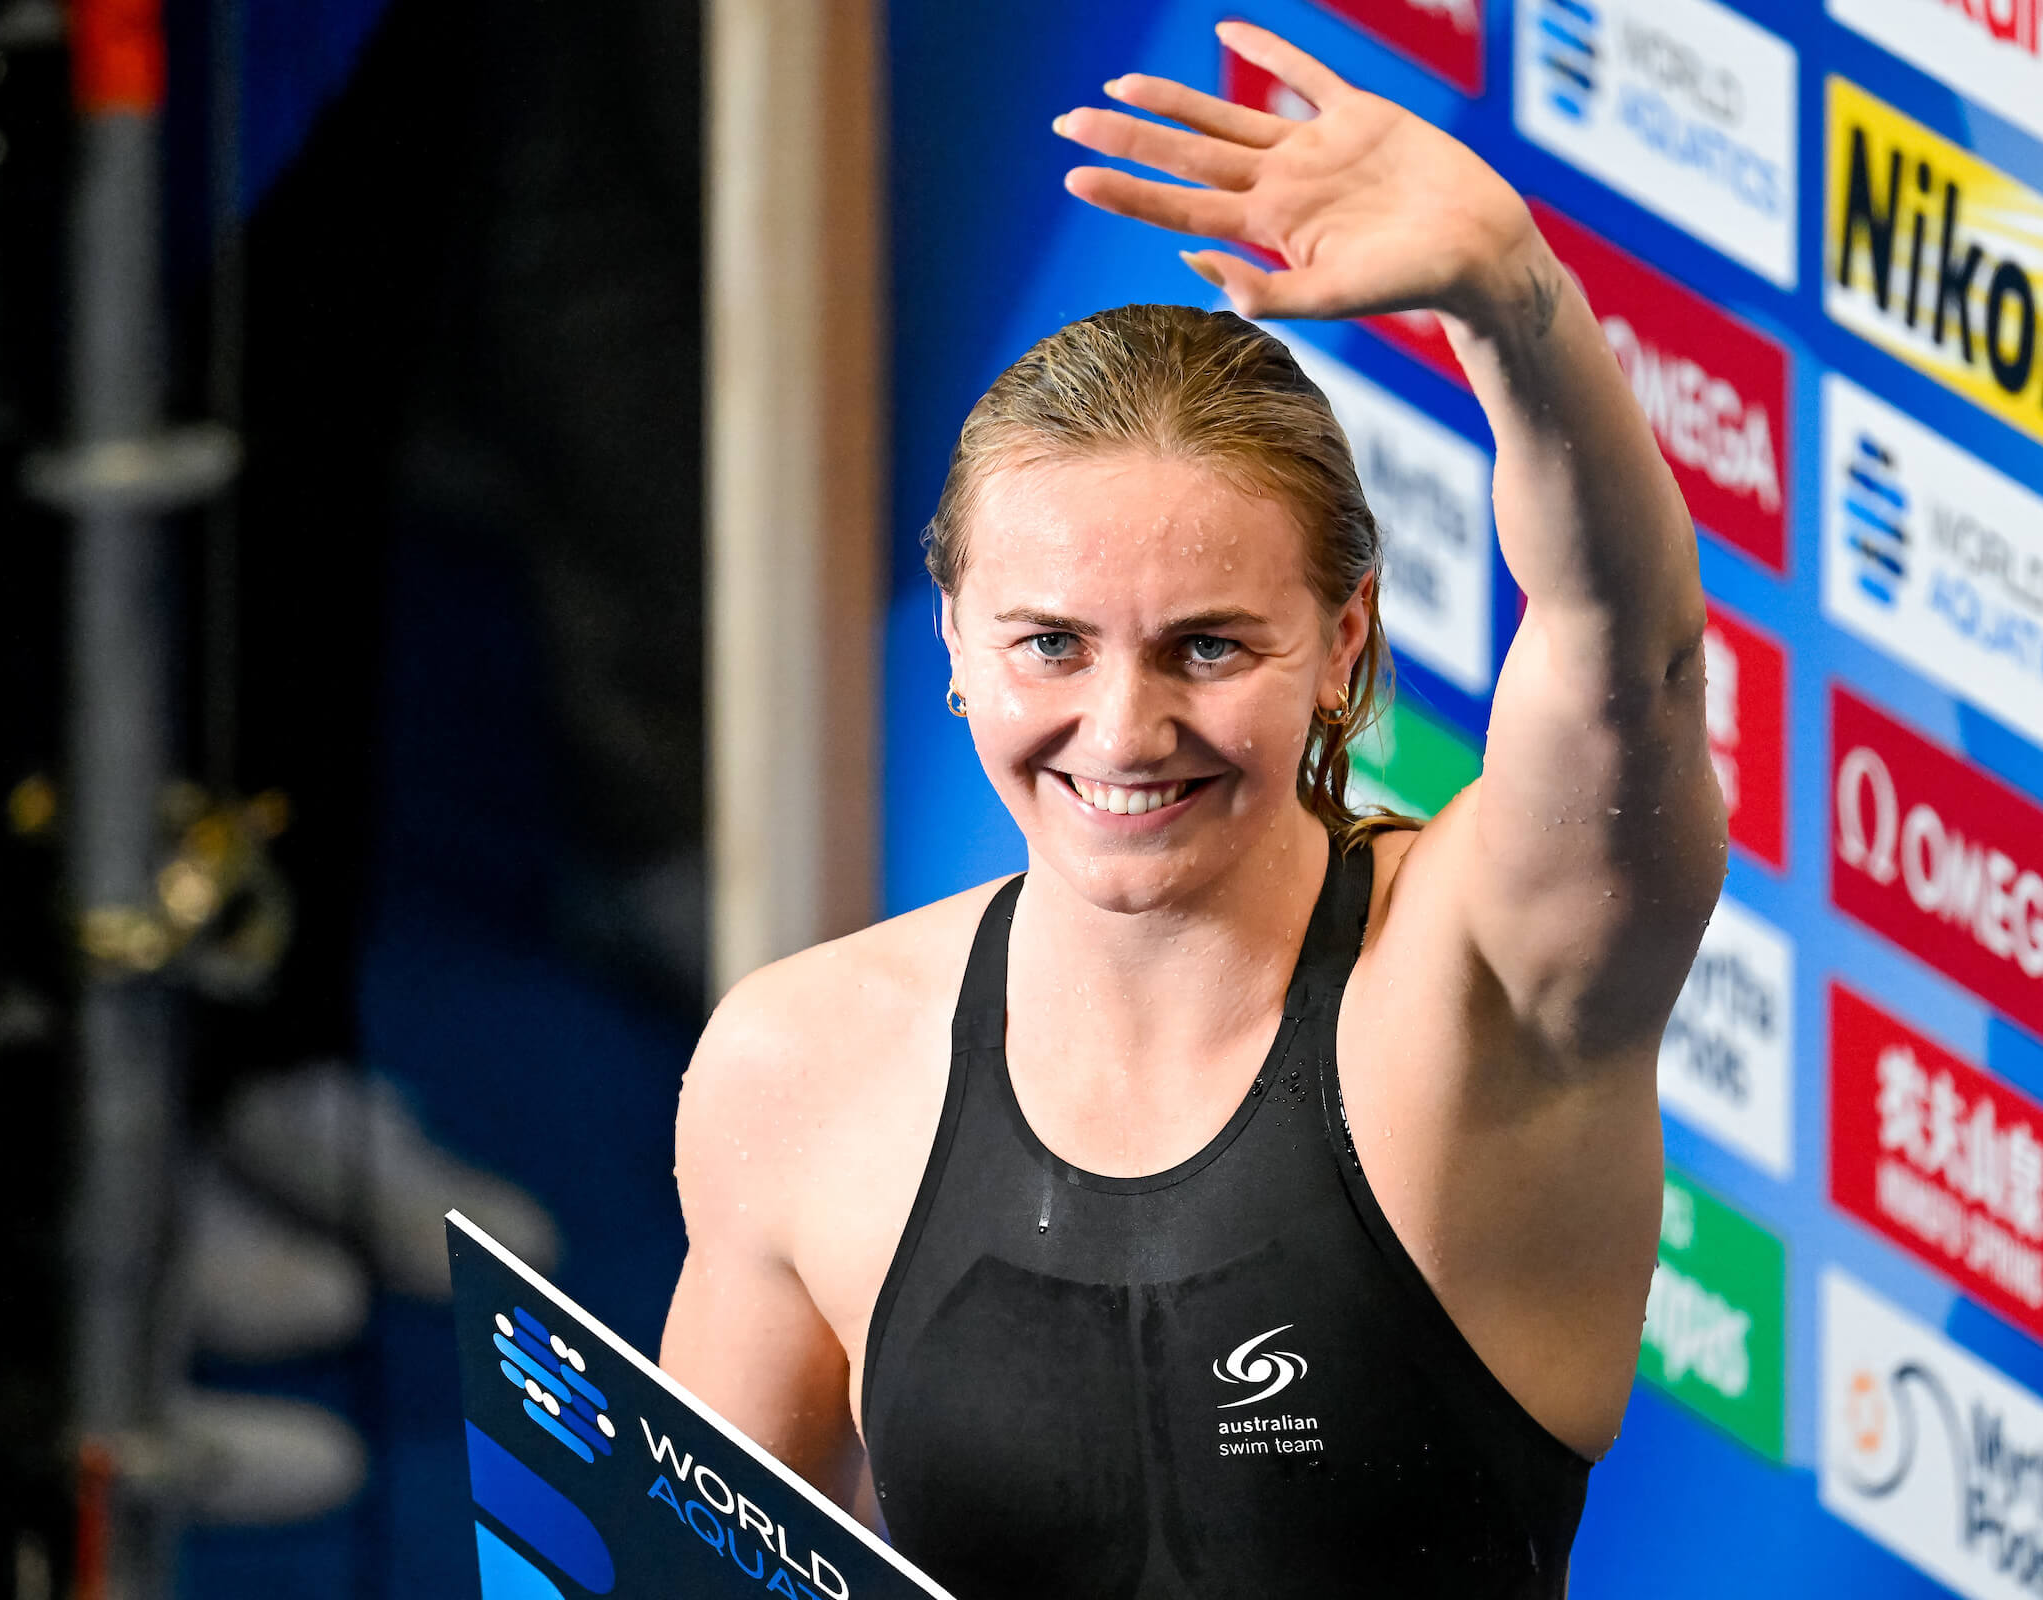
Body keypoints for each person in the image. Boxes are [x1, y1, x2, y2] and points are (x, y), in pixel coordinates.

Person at [660, 21, 1725, 1598]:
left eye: (1209, 646)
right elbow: (687, 1575)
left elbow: (1624, 662)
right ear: (954, 638)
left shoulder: (1481, 997)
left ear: (1345, 638)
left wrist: (1513, 296)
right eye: (1050, 645)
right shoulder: (800, 1068)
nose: (1123, 727)